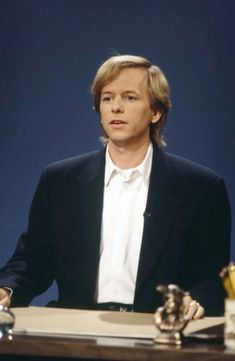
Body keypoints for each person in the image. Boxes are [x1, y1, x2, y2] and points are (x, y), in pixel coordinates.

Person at [0, 55, 231, 319]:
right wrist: (6, 289)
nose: (116, 107)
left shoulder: (201, 188)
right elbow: (32, 261)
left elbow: (213, 278)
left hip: (157, 334)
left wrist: (196, 300)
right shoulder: (59, 181)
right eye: (107, 98)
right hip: (75, 334)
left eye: (129, 97)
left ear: (156, 112)